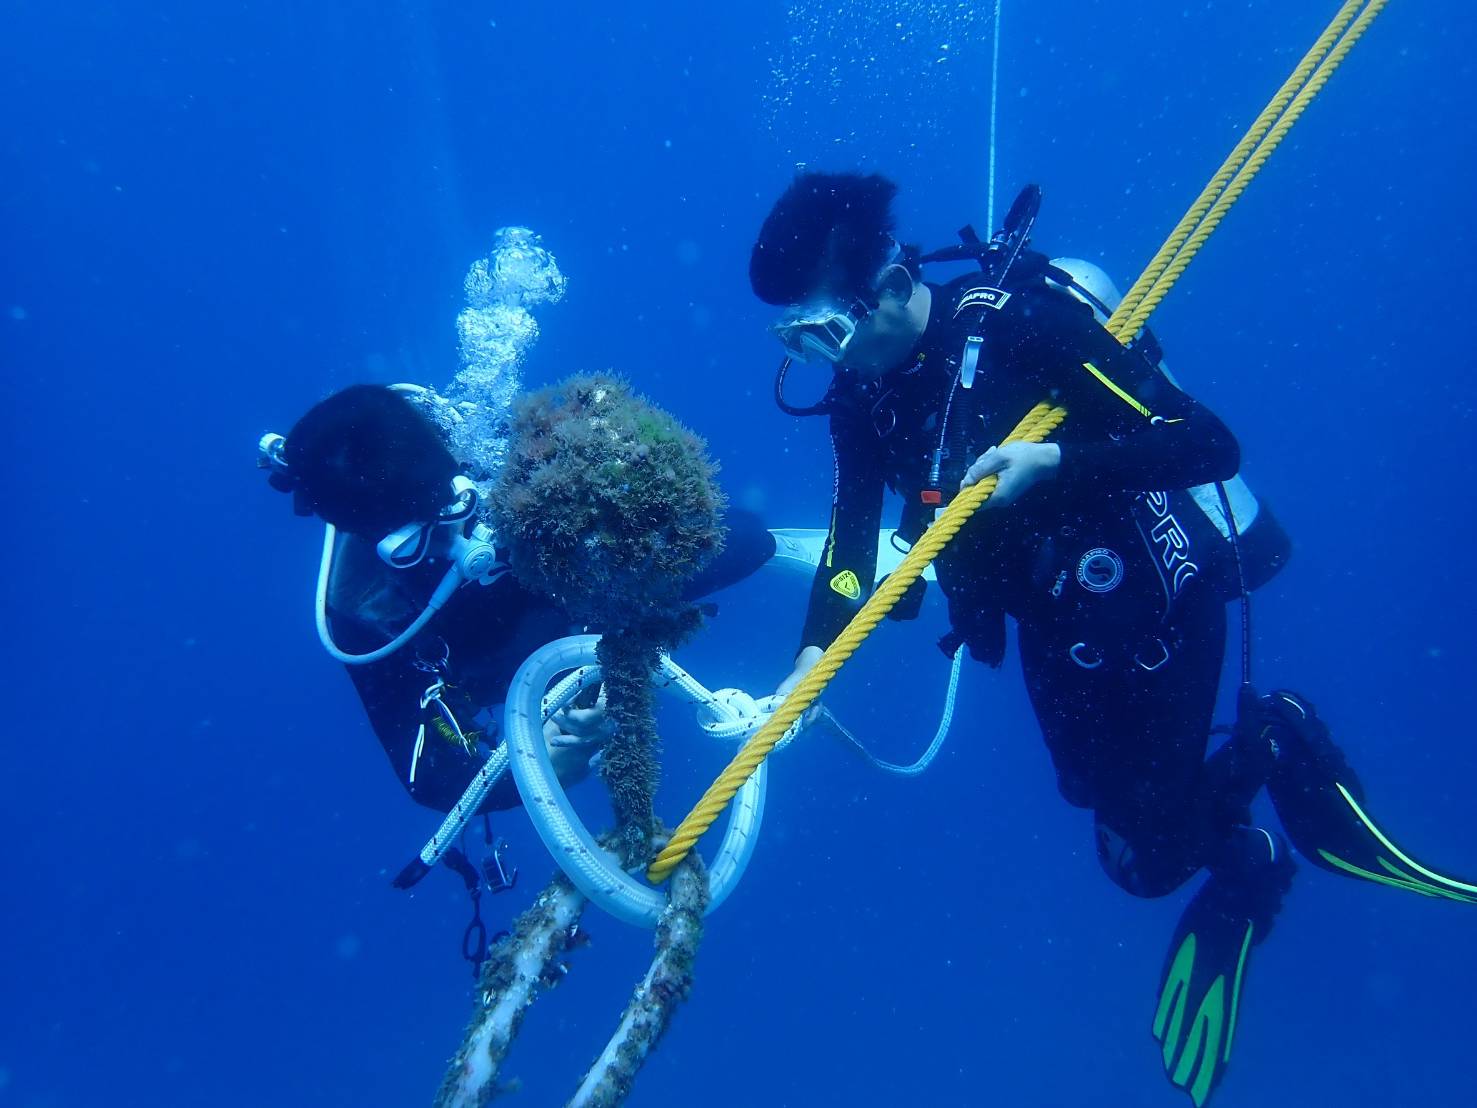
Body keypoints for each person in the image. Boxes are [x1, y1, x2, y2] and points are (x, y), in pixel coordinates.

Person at [749, 171, 1476, 1106]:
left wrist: (1053, 461)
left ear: (887, 282)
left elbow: (1206, 444)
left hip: (1152, 600)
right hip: (1048, 617)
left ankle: (1275, 741)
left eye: (830, 332)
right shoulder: (860, 395)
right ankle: (1239, 851)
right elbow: (850, 551)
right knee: (1119, 840)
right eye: (800, 341)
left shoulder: (1013, 327)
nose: (830, 362)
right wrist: (810, 664)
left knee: (1156, 846)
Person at [260, 384, 775, 836]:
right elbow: (425, 774)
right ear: (376, 541)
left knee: (747, 540)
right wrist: (537, 766)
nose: (460, 550)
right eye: (413, 545)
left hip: (579, 602)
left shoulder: (519, 468)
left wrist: (612, 581)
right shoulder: (362, 610)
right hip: (487, 667)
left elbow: (745, 542)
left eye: (456, 513)